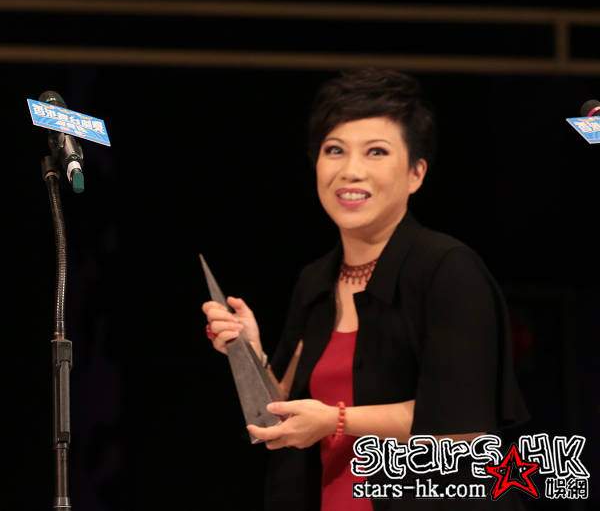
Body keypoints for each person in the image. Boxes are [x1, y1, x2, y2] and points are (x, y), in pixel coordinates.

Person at [202, 69, 527, 510]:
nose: (350, 171)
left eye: (376, 152)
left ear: (416, 173)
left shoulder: (448, 270)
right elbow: (285, 415)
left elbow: (463, 426)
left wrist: (336, 421)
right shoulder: (316, 279)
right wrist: (250, 352)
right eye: (334, 150)